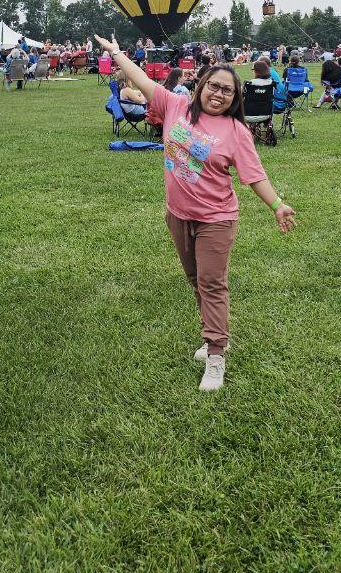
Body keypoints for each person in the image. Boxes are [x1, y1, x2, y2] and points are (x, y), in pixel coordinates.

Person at [95, 34, 296, 392]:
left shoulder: (236, 131)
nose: (219, 94)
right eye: (214, 86)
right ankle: (213, 335)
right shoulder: (176, 106)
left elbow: (254, 175)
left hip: (216, 219)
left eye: (227, 91)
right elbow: (140, 78)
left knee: (212, 284)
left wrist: (277, 205)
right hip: (178, 214)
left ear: (235, 97)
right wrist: (116, 53)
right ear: (201, 85)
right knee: (195, 279)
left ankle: (216, 354)